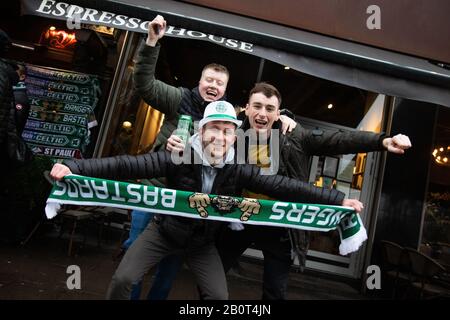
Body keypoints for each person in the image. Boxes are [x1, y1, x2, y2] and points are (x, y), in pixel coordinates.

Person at [50, 100, 364, 300]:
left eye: (228, 131)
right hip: (164, 232)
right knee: (123, 279)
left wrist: (338, 199)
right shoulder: (179, 157)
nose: (220, 137)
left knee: (218, 298)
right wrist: (74, 167)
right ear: (201, 132)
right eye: (214, 129)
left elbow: (285, 187)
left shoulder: (239, 167)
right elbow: (126, 165)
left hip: (202, 243)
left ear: (235, 136)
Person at [168, 82, 412, 300]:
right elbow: (198, 144)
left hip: (278, 226)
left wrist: (382, 141)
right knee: (210, 284)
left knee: (275, 291)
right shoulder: (232, 135)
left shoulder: (293, 137)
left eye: (270, 109)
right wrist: (175, 143)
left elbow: (338, 140)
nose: (263, 113)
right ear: (247, 109)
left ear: (277, 113)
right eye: (258, 106)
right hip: (237, 221)